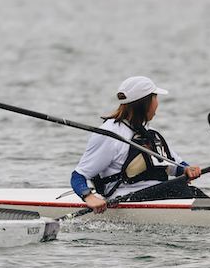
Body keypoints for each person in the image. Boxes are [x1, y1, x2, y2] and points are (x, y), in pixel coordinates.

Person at [70, 76, 202, 213]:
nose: (157, 103)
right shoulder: (109, 134)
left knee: (189, 190)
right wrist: (88, 196)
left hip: (160, 194)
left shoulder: (148, 134)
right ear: (145, 103)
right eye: (155, 98)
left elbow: (175, 166)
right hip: (127, 199)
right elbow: (78, 175)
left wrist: (187, 169)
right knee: (179, 188)